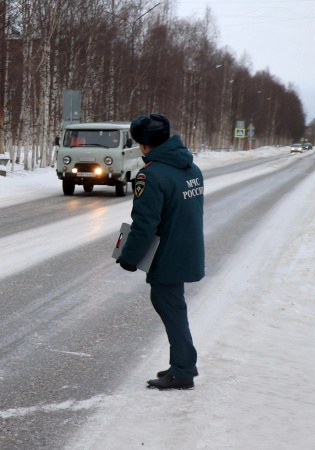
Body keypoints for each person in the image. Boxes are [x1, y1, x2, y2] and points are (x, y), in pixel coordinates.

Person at [116, 113, 204, 390]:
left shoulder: (150, 175)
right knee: (173, 306)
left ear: (143, 145)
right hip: (187, 249)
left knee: (171, 309)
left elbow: (145, 225)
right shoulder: (191, 168)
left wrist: (129, 258)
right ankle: (183, 363)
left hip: (166, 255)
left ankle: (183, 371)